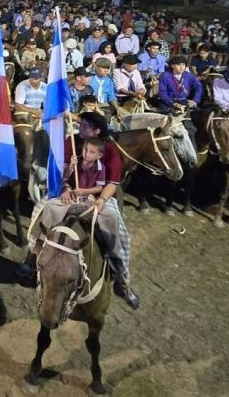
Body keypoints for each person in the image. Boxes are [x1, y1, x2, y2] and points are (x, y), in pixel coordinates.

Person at [17, 112, 141, 310]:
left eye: (84, 126)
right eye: (80, 124)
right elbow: (61, 173)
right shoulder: (71, 142)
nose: (79, 128)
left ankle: (122, 277)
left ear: (96, 130)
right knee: (40, 208)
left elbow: (112, 183)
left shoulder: (108, 150)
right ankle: (32, 255)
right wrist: (65, 188)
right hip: (68, 193)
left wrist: (101, 200)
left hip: (98, 196)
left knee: (120, 231)